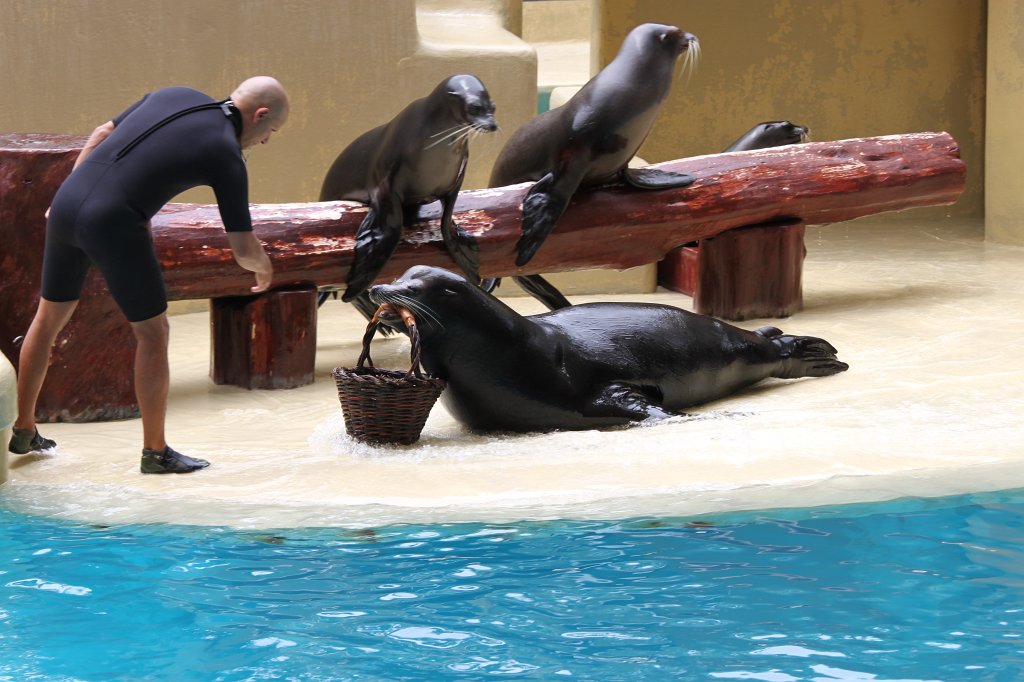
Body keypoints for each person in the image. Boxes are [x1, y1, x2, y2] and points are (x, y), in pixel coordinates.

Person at [8, 76, 290, 474]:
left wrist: (69, 194)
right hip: (114, 220)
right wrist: (265, 266)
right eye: (271, 131)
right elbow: (243, 249)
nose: (265, 141)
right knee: (152, 332)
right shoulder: (225, 152)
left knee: (48, 318)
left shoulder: (177, 94)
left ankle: (24, 427)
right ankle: (156, 452)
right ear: (260, 115)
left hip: (66, 203)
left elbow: (102, 132)